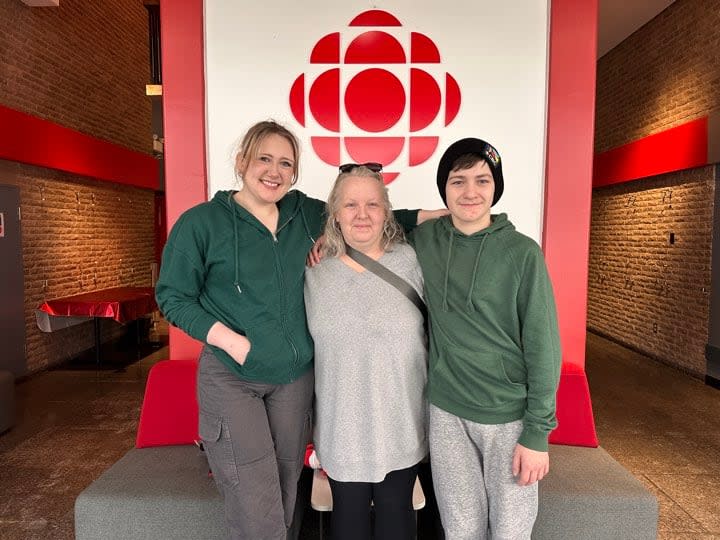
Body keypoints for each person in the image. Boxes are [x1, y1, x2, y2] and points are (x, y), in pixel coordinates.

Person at [155, 120, 443, 539]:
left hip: (292, 381)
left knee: (288, 493)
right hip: (235, 374)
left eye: (285, 163)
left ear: (294, 173)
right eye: (263, 159)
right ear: (241, 162)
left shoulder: (301, 215)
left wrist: (443, 213)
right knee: (258, 502)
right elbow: (172, 296)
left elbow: (367, 211)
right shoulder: (202, 223)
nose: (273, 171)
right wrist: (229, 341)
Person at [411, 138, 561, 539]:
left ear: (496, 186)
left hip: (507, 416)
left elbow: (544, 347)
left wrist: (537, 434)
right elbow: (370, 219)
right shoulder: (426, 240)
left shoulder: (522, 253)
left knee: (510, 532)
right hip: (446, 411)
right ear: (444, 190)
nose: (471, 192)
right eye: (458, 182)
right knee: (460, 529)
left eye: (482, 180)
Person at [304, 164, 428, 540]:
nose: (362, 214)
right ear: (335, 213)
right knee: (348, 527)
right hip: (340, 434)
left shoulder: (415, 261)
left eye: (373, 204)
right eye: (350, 204)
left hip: (402, 429)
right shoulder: (312, 271)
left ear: (387, 211)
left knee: (397, 523)